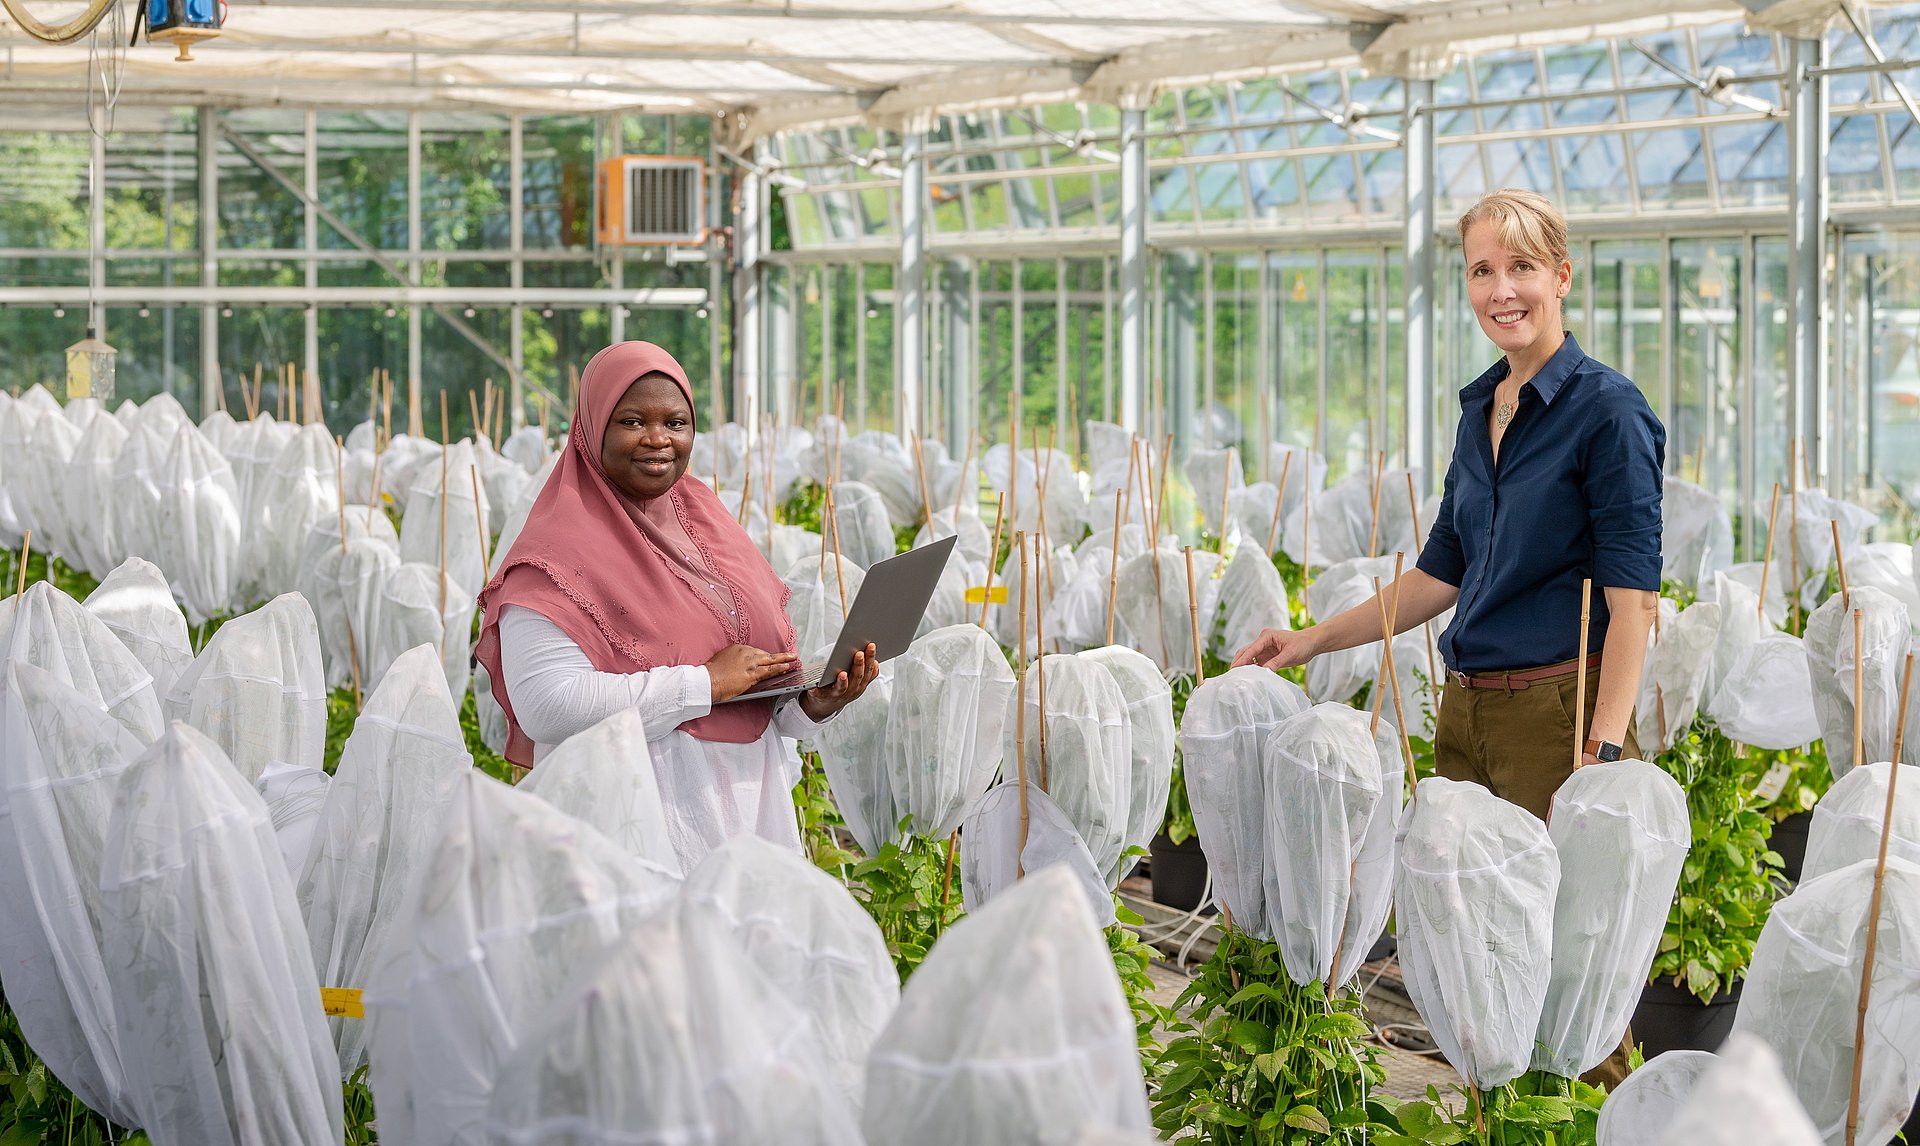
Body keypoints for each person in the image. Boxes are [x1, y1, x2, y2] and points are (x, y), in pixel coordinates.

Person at [1232, 188, 1662, 1085]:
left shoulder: (1608, 414)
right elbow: (1440, 571)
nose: (1501, 290)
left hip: (1558, 714)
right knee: (1477, 964)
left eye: (1521, 268)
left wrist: (1602, 749)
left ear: (1562, 275)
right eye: (1481, 270)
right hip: (1467, 714)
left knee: (1564, 977)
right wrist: (1311, 640)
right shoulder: (1482, 410)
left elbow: (1635, 606)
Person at [475, 340, 877, 872]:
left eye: (677, 422)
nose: (658, 439)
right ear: (592, 427)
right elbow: (548, 707)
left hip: (747, 815)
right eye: (633, 420)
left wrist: (809, 707)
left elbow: (745, 687)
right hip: (634, 827)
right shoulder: (553, 554)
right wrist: (703, 683)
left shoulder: (703, 517)